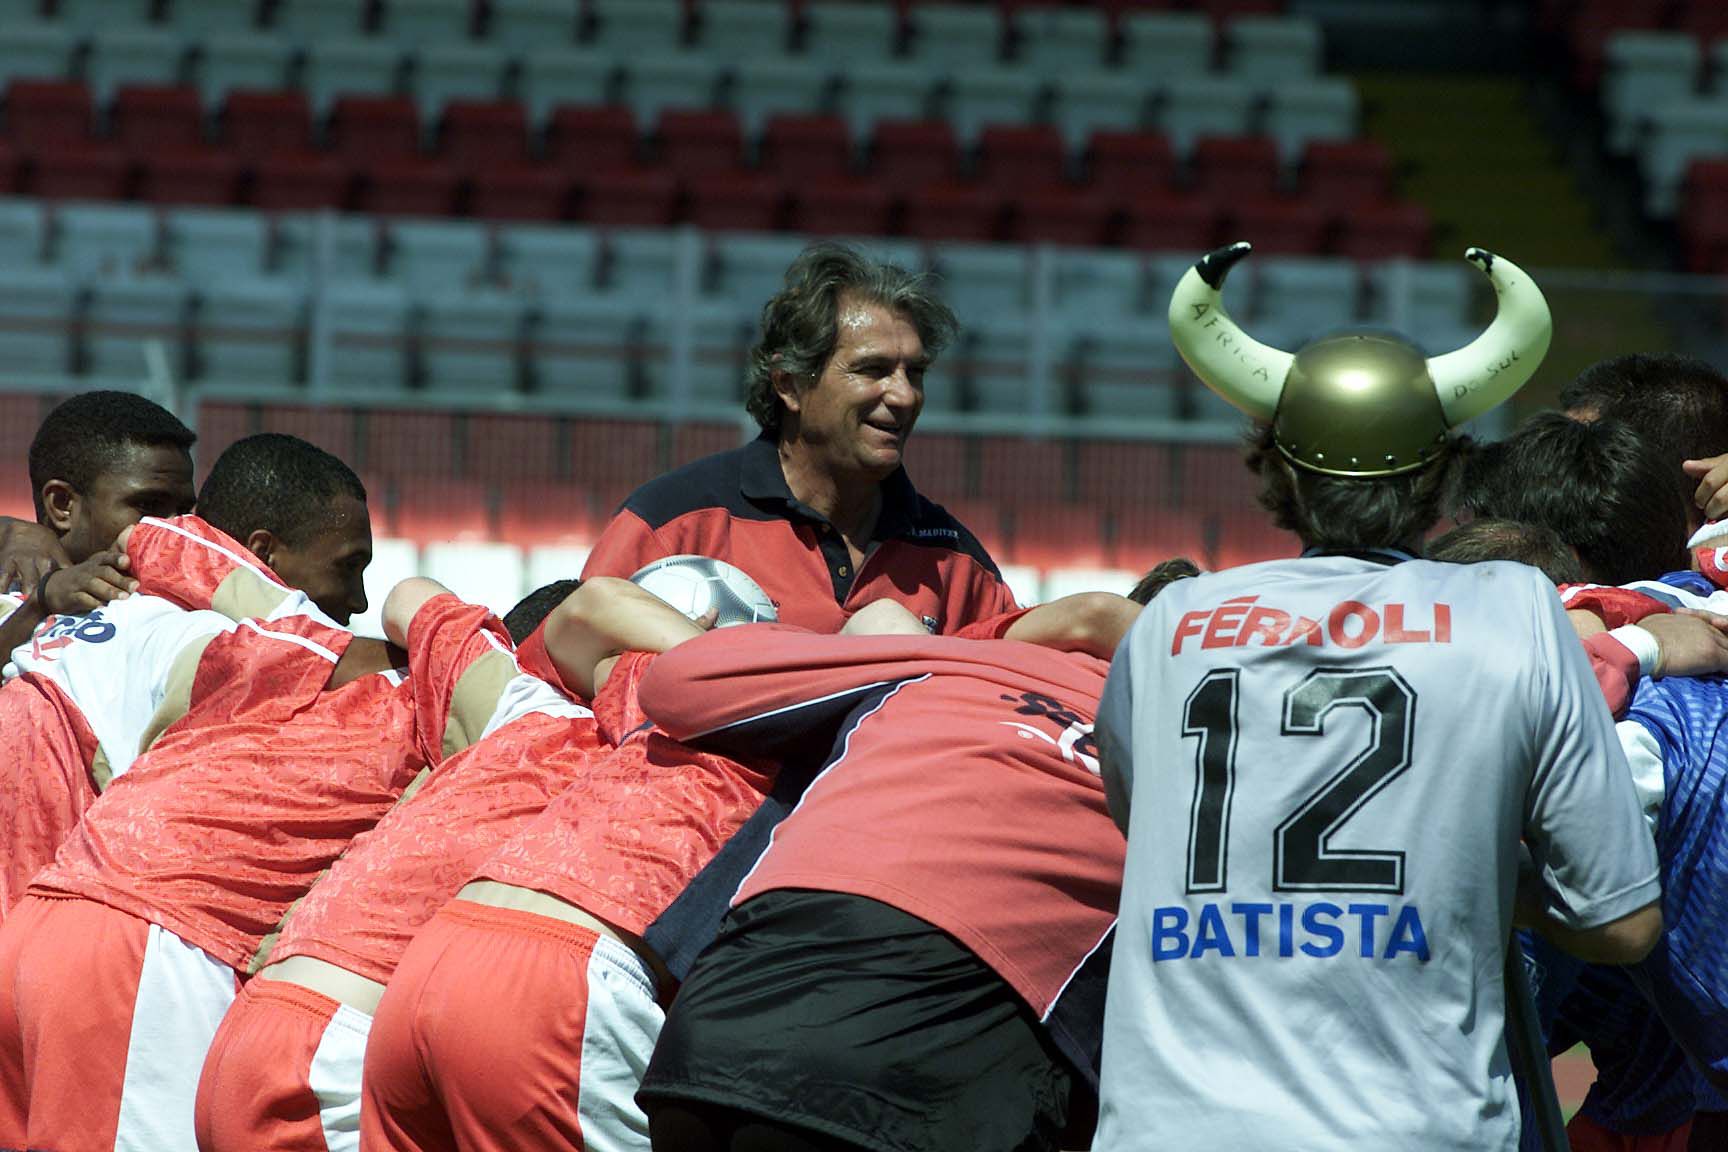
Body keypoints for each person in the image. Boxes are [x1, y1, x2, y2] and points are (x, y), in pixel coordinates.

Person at [1092, 243, 1663, 1152]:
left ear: (1277, 471)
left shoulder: (1170, 623)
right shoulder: (1514, 610)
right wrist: (1476, 871)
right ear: (1442, 473)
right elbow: (1622, 923)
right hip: (1415, 1127)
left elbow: (1146, 822)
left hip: (1168, 1129)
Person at [633, 584, 1155, 1152]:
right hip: (918, 1074)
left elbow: (675, 682)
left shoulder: (949, 663)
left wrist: (926, 647)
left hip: (712, 1038)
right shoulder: (1190, 752)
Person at [0, 505, 412, 1152]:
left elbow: (153, 536)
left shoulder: (80, 614)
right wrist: (444, 647)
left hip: (45, 926)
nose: (357, 600)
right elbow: (322, 648)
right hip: (139, 936)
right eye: (347, 567)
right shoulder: (189, 633)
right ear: (262, 554)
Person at [582, 242, 1017, 634]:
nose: (905, 395)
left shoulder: (954, 558)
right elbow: (567, 668)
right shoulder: (671, 524)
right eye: (872, 370)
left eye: (915, 373)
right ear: (788, 384)